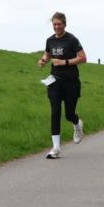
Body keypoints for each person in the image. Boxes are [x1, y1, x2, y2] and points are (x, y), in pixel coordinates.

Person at [37, 12, 86, 159]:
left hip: (71, 82)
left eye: (59, 24)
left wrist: (65, 62)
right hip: (55, 81)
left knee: (69, 114)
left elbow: (83, 58)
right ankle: (56, 148)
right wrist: (43, 60)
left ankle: (77, 124)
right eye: (54, 25)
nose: (57, 27)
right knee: (55, 112)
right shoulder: (50, 40)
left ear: (64, 24)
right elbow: (47, 54)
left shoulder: (72, 39)